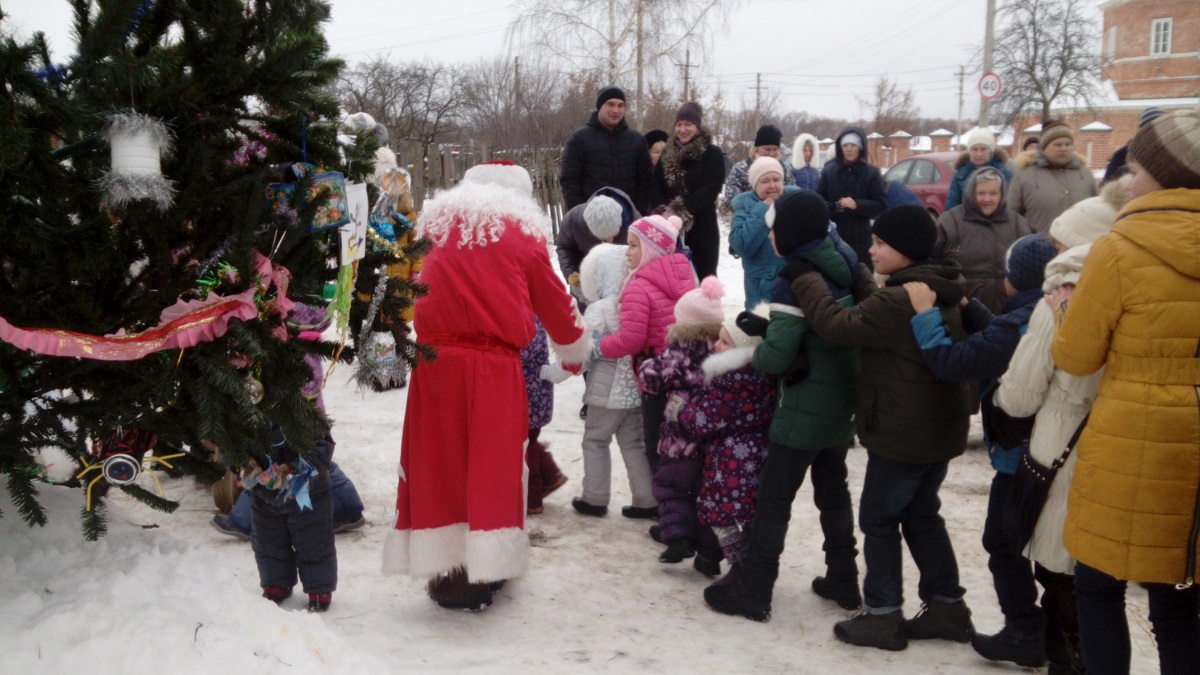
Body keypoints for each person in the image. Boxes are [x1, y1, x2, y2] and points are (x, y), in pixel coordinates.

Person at [382, 161, 589, 612]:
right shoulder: (522, 232)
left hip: (433, 364)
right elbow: (555, 302)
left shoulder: (434, 224)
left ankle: (446, 573)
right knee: (491, 467)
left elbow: (414, 284)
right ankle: (484, 571)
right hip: (493, 365)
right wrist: (574, 350)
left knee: (439, 465)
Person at [1048, 106, 1200, 675]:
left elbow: (1077, 356)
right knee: (1179, 596)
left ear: (1168, 172)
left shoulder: (1119, 247)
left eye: (1135, 170)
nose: (1127, 182)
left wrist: (1065, 311)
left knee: (1099, 584)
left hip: (1132, 440)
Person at [794, 204, 975, 651]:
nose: (870, 249)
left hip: (902, 431)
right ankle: (948, 606)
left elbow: (837, 325)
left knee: (879, 517)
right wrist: (859, 272)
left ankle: (881, 614)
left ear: (905, 251)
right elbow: (877, 303)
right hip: (937, 429)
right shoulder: (938, 285)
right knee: (921, 513)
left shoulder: (898, 300)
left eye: (879, 244)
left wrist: (806, 279)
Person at [992, 178, 1131, 674]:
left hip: (1061, 447)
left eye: (1057, 243)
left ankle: (1067, 660)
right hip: (1118, 442)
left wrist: (1001, 395)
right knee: (1101, 578)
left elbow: (1021, 393)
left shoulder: (1059, 299)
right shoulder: (1133, 288)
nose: (1051, 251)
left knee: (1062, 572)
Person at [704, 190, 863, 622]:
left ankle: (755, 590)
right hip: (839, 402)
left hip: (802, 405)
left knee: (773, 500)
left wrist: (760, 345)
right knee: (833, 493)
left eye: (776, 227)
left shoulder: (792, 278)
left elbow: (776, 357)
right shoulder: (844, 262)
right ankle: (844, 578)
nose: (771, 235)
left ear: (789, 233)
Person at [904, 233, 1060, 670]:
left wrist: (923, 316)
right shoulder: (1045, 312)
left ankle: (1025, 631)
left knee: (1003, 543)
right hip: (1053, 453)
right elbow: (1001, 337)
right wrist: (972, 310)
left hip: (1020, 459)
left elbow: (952, 362)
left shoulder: (1017, 328)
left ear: (1015, 279)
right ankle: (1052, 631)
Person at [546, 243, 655, 518]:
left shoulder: (600, 310)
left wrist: (549, 374)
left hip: (605, 394)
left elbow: (581, 355)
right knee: (634, 444)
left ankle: (595, 498)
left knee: (595, 441)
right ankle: (647, 499)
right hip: (634, 392)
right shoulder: (635, 302)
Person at [681, 306, 776, 585]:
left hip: (730, 464)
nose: (717, 346)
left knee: (720, 515)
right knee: (746, 515)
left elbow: (703, 421)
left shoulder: (732, 381)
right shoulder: (761, 375)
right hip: (755, 458)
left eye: (725, 341)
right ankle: (735, 562)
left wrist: (684, 411)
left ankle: (740, 565)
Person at [638, 276, 726, 572]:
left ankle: (677, 537)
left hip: (679, 438)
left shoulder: (677, 352)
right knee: (703, 493)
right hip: (710, 440)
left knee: (670, 485)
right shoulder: (720, 350)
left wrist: (645, 365)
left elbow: (651, 378)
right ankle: (707, 554)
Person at [597, 214, 696, 476]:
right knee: (683, 442)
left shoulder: (638, 287)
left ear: (651, 248)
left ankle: (665, 508)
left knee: (656, 445)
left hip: (656, 376)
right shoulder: (683, 274)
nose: (626, 252)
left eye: (633, 244)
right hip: (687, 372)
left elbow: (631, 339)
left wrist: (600, 345)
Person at [246, 422, 338, 613]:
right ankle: (276, 582)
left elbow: (322, 447)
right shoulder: (244, 410)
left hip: (307, 491)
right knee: (268, 541)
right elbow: (228, 442)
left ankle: (318, 587)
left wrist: (295, 468)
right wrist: (242, 465)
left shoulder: (303, 408)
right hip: (264, 491)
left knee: (314, 542)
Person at [933, 167, 1034, 314]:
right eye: (981, 193)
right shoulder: (950, 221)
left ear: (1002, 195)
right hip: (960, 308)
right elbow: (932, 262)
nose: (987, 199)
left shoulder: (1020, 224)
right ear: (971, 193)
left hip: (1006, 310)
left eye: (993, 193)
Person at [651, 102, 726, 279]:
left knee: (703, 279)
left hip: (702, 227)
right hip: (669, 226)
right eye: (679, 124)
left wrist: (680, 212)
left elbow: (711, 188)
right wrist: (664, 213)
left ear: (698, 127)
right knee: (671, 280)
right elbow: (655, 186)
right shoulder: (667, 153)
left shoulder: (712, 153)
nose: (683, 129)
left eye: (688, 124)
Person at [560, 86, 654, 213]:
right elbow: (570, 180)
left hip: (628, 221)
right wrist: (581, 213)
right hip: (591, 220)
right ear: (599, 106)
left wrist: (638, 212)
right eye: (610, 104)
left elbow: (646, 181)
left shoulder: (637, 141)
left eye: (621, 105)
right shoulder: (579, 139)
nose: (616, 110)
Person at [729, 156, 797, 310]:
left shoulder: (796, 203)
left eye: (776, 179)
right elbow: (742, 246)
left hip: (795, 286)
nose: (772, 185)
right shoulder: (744, 209)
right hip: (762, 292)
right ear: (755, 185)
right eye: (765, 181)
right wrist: (761, 211)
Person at [555, 187, 640, 309]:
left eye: (614, 234)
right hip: (585, 289)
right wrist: (570, 271)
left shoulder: (636, 224)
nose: (610, 241)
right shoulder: (574, 220)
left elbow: (645, 257)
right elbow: (564, 246)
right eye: (603, 237)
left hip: (623, 290)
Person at [817, 126, 887, 270]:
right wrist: (835, 206)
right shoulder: (829, 172)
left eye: (853, 145)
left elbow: (880, 205)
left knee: (862, 280)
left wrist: (857, 205)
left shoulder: (871, 173)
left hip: (861, 239)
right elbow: (818, 202)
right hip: (835, 237)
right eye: (845, 145)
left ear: (860, 147)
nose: (849, 149)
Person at [1009, 120, 1097, 233]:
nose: (1063, 148)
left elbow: (1096, 208)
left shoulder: (1084, 173)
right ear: (1044, 147)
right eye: (1058, 145)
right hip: (1039, 244)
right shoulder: (1025, 174)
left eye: (1068, 144)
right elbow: (1012, 213)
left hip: (1078, 245)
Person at [522, 319, 567, 516]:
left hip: (527, 391)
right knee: (528, 441)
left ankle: (532, 500)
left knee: (525, 445)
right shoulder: (531, 314)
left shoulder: (525, 317)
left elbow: (522, 351)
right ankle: (551, 475)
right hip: (533, 391)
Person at [722, 124, 796, 210]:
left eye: (775, 149)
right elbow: (731, 199)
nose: (771, 153)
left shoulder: (785, 169)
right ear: (757, 148)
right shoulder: (741, 168)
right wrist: (759, 209)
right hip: (749, 219)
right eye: (767, 149)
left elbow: (794, 196)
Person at [945, 127, 1013, 211]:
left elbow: (1011, 204)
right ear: (969, 151)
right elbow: (951, 204)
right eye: (974, 149)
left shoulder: (1004, 173)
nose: (979, 154)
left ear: (991, 150)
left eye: (983, 149)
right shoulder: (961, 175)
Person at [1102, 107, 1164, 185]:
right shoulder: (1122, 155)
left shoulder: (1172, 154)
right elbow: (1105, 188)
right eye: (1151, 129)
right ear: (1142, 131)